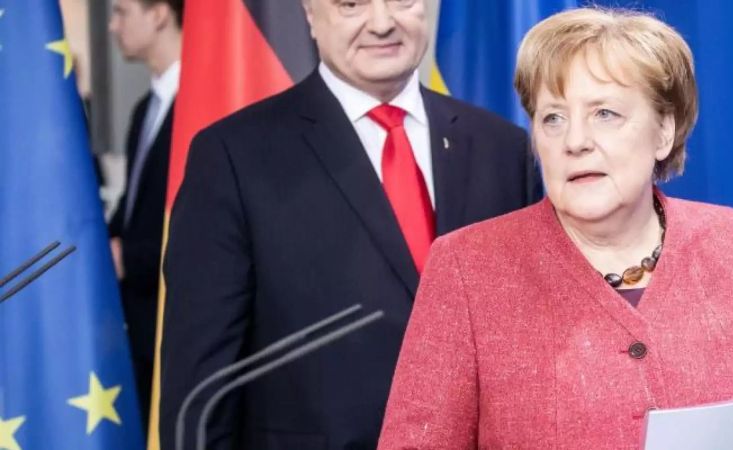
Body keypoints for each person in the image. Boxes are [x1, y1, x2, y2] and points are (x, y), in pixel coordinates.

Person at [378, 7, 733, 449]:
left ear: (663, 132)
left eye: (605, 114)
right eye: (552, 118)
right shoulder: (467, 268)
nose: (575, 141)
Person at [159, 0, 540, 448]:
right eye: (351, 4)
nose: (382, 23)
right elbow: (201, 384)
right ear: (308, 14)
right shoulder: (233, 156)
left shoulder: (505, 149)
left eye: (402, 1)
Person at [107, 0, 182, 427]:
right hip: (134, 326)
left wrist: (128, 257)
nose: (114, 26)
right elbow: (130, 211)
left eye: (121, 12)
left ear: (158, 14)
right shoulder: (143, 110)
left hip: (171, 323)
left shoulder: (206, 107)